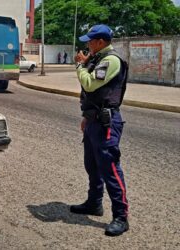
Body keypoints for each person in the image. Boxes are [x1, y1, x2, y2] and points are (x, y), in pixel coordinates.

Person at [72, 24, 130, 237]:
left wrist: (80, 65)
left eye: (90, 40)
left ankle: (121, 217)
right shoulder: (96, 59)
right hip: (93, 121)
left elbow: (89, 85)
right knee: (92, 165)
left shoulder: (111, 60)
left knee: (111, 170)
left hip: (106, 124)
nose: (87, 44)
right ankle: (94, 203)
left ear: (101, 42)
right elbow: (92, 96)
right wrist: (86, 118)